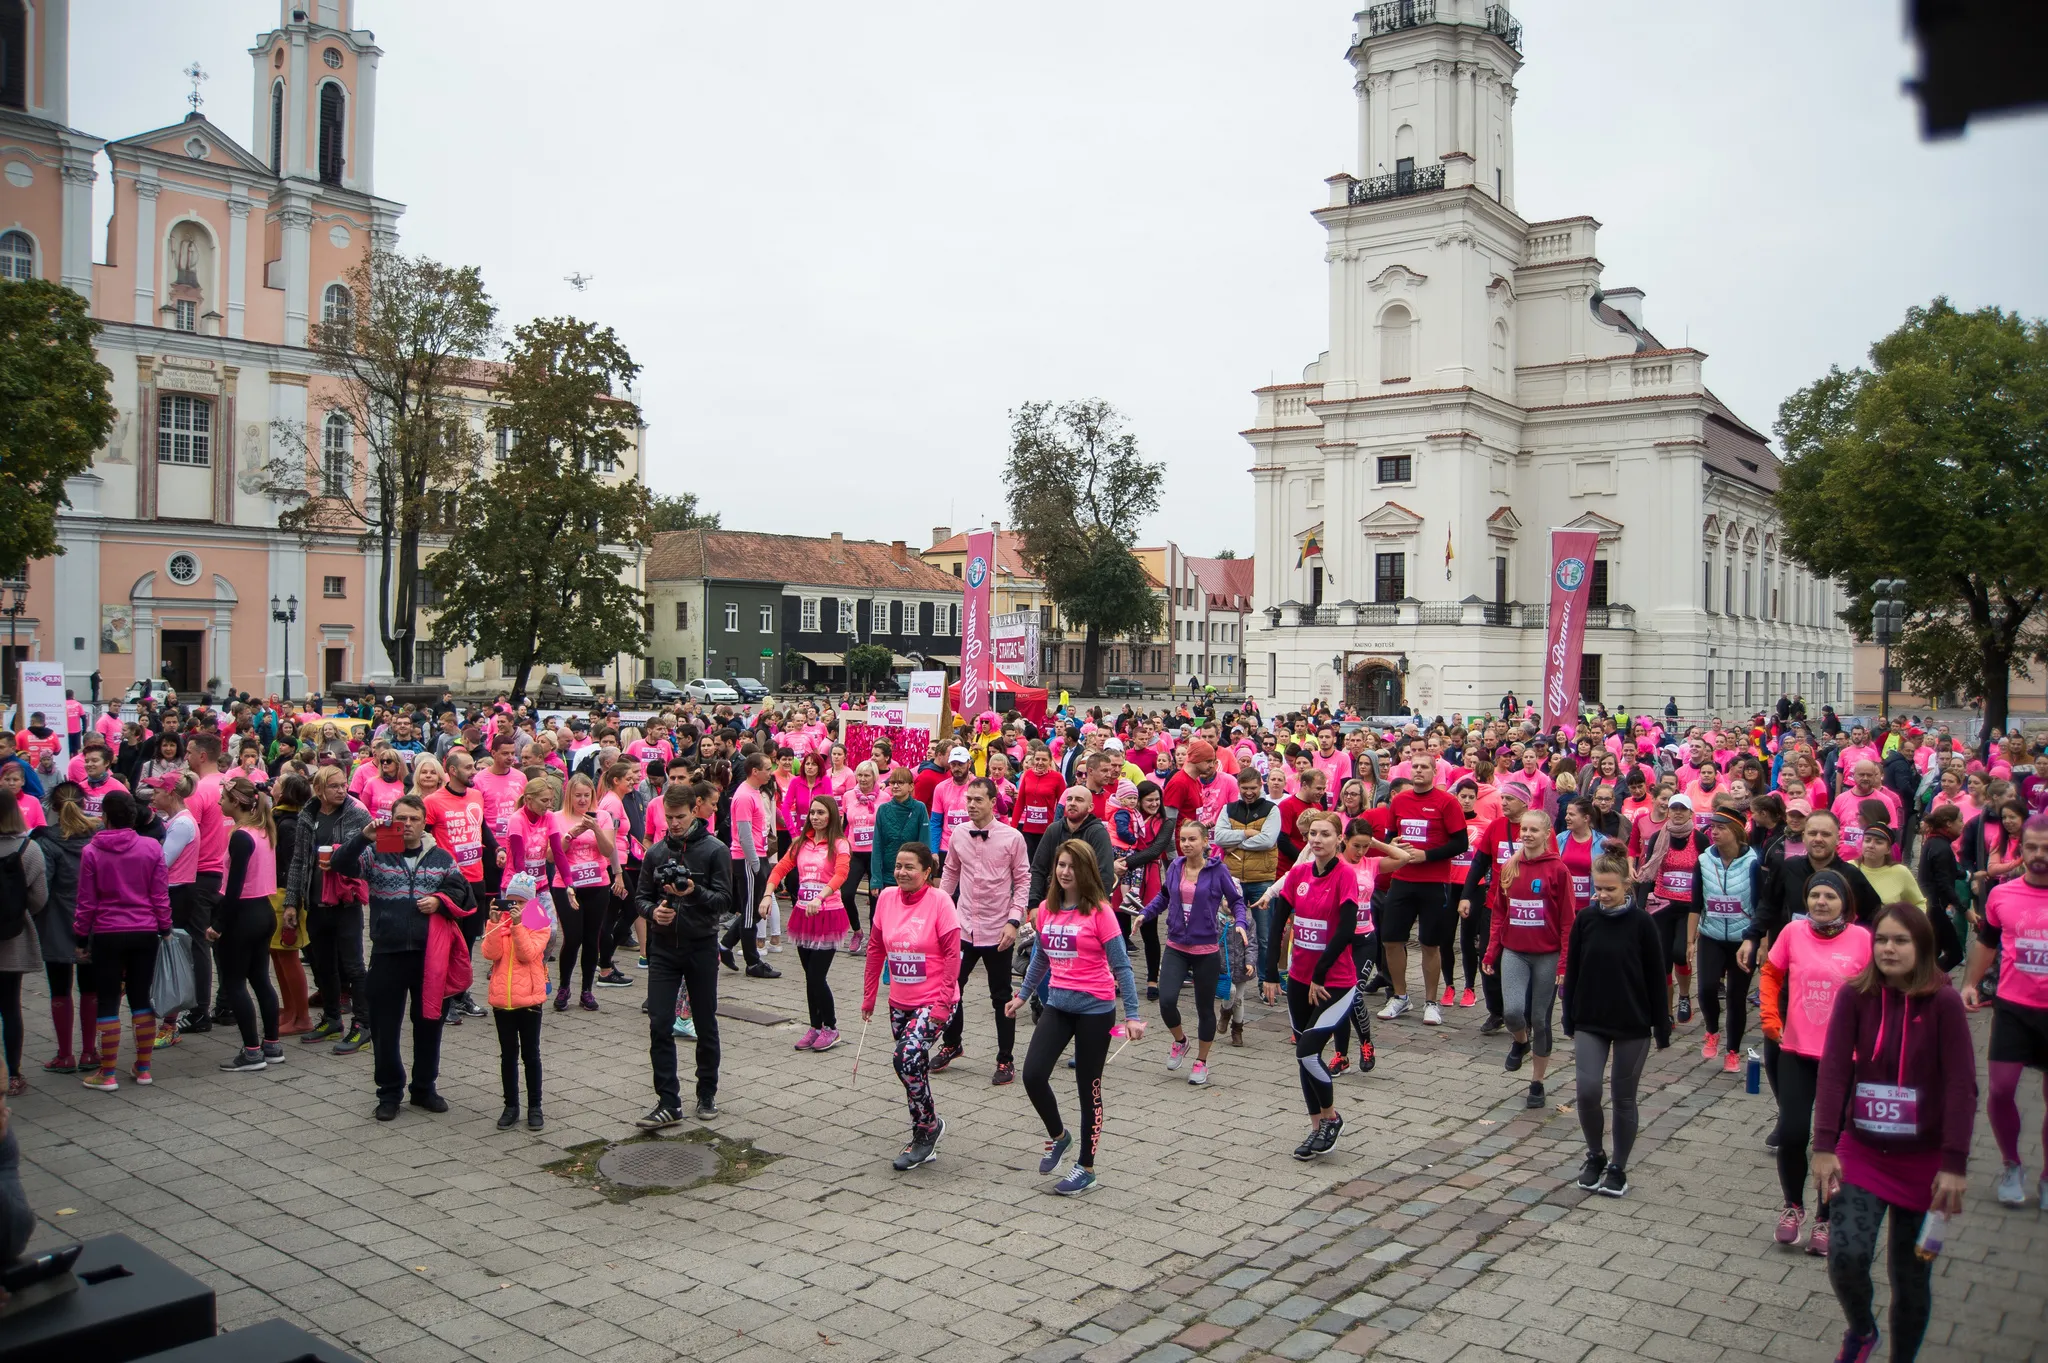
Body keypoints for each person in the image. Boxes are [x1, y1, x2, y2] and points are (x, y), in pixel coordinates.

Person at [1812, 904, 1973, 1363]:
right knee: (1845, 1255)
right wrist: (1823, 1145)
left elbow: (1963, 1085)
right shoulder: (1855, 995)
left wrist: (1954, 1164)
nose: (1888, 948)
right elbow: (1835, 1071)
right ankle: (1861, 1331)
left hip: (1924, 1162)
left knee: (1910, 1277)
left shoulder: (1942, 1002)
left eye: (1900, 940)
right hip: (1861, 1151)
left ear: (1922, 946)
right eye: (1881, 938)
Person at [1008, 839, 1142, 1194]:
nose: (1065, 872)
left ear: (1085, 871)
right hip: (1058, 1006)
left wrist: (1132, 1015)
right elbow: (1040, 957)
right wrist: (1022, 996)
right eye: (1060, 866)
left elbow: (1122, 967)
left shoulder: (1100, 911)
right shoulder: (1048, 910)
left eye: (1072, 866)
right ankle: (1058, 1136)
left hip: (1095, 1011)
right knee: (1033, 1075)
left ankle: (1086, 1167)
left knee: (1088, 1090)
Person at [332, 793, 475, 1121]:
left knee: (428, 1025)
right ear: (392, 821)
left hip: (429, 957)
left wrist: (439, 901)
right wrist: (363, 837)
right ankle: (390, 1093)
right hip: (388, 952)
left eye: (413, 819)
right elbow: (341, 866)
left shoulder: (440, 856)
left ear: (424, 821)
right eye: (401, 819)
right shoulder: (382, 848)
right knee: (384, 1027)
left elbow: (462, 893)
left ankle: (424, 1088)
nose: (407, 825)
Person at [1760, 868, 1873, 1255]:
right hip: (1796, 1051)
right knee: (1792, 1133)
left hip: (1845, 1059)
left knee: (1838, 1140)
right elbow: (1771, 973)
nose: (1821, 903)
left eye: (1830, 897)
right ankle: (1793, 1206)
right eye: (1815, 896)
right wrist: (1771, 1017)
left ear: (1845, 903)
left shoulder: (1862, 940)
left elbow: (1879, 993)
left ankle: (1826, 1216)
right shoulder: (1792, 933)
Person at [1562, 851, 1669, 1197]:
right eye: (1598, 889)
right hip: (1591, 1020)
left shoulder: (1643, 924)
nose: (1602, 895)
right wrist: (1568, 1014)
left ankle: (1618, 1167)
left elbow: (1656, 977)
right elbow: (1574, 970)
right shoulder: (1586, 920)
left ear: (1627, 885)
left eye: (1610, 889)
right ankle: (1594, 1154)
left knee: (1624, 1097)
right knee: (1588, 1090)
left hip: (1632, 1023)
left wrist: (1660, 1025)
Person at [1963, 813, 2048, 1210]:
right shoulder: (2003, 895)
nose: (2038, 855)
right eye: (2031, 847)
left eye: (2046, 848)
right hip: (2013, 1007)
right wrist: (1969, 982)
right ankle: (2011, 1164)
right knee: (1999, 1091)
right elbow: (1987, 941)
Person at [635, 781, 729, 1128]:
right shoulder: (656, 853)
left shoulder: (714, 850)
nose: (673, 823)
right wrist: (652, 913)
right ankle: (668, 1101)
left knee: (705, 1023)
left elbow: (724, 901)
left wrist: (694, 891)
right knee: (659, 1022)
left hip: (701, 945)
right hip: (662, 948)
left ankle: (706, 1092)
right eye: (668, 817)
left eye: (679, 817)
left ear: (695, 811)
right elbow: (641, 896)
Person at [864, 842, 962, 1170]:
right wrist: (869, 996)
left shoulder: (940, 902)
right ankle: (925, 1134)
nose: (902, 873)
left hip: (934, 1000)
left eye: (909, 867)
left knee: (904, 1058)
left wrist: (944, 1003)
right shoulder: (888, 899)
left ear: (926, 872)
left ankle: (926, 1127)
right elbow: (876, 948)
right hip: (899, 1002)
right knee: (912, 1066)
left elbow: (952, 955)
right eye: (898, 867)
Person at [1139, 819, 1249, 1086]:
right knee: (1166, 1002)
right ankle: (1180, 1041)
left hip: (1206, 950)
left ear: (1204, 842)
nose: (1186, 844)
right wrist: (1145, 913)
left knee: (1204, 1009)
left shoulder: (1218, 871)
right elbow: (1164, 896)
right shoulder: (1175, 866)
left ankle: (1201, 1062)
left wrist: (1241, 924)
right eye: (1183, 840)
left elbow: (1236, 902)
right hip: (1176, 946)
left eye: (1192, 839)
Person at [73, 789, 170, 1090]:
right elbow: (160, 894)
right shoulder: (152, 847)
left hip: (107, 933)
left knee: (108, 1000)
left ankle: (108, 1072)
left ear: (104, 817)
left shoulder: (92, 851)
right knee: (142, 999)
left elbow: (86, 901)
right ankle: (143, 1068)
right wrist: (165, 927)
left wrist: (79, 935)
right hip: (145, 931)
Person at [936, 777, 1029, 1083]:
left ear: (993, 802)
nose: (972, 805)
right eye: (969, 799)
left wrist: (1014, 921)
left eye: (978, 800)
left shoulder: (1012, 837)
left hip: (997, 929)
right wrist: (938, 907)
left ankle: (1005, 1060)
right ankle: (952, 1043)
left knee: (1001, 995)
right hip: (962, 927)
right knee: (950, 988)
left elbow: (1023, 881)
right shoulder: (959, 833)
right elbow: (950, 872)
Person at [1483, 808, 1575, 1110]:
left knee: (1540, 1018)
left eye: (1534, 830)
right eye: (1524, 829)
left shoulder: (1558, 870)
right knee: (1512, 1012)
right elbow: (1500, 912)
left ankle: (1537, 1082)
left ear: (1547, 834)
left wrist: (1563, 962)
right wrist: (1492, 950)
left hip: (1547, 955)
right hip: (1515, 952)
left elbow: (1567, 921)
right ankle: (1520, 1041)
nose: (1527, 834)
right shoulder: (1510, 867)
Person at [1377, 745, 1468, 1026]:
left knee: (1430, 944)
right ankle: (1401, 996)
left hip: (1435, 883)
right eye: (1414, 766)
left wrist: (1427, 855)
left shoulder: (1447, 802)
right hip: (1402, 881)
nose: (1418, 770)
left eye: (1424, 767)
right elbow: (1391, 836)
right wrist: (1392, 845)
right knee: (1391, 939)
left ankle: (1431, 1002)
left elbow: (1461, 843)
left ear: (1434, 771)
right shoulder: (1400, 801)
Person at [285, 765, 372, 1052]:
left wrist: (339, 852)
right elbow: (298, 861)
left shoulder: (357, 813)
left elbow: (370, 852)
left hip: (345, 900)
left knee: (353, 965)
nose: (341, 790)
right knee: (323, 965)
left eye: (343, 784)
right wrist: (292, 903)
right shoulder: (307, 816)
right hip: (315, 900)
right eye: (334, 786)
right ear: (320, 789)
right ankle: (332, 1018)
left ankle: (363, 1024)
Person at [762, 794, 852, 1051]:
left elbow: (841, 873)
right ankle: (815, 1026)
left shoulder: (840, 844)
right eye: (812, 812)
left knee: (816, 976)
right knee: (809, 976)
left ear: (831, 815)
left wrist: (822, 897)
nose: (815, 817)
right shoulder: (801, 843)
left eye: (821, 813)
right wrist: (768, 895)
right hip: (803, 915)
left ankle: (831, 1028)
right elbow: (780, 868)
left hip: (828, 915)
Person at [211, 777, 285, 1073]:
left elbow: (234, 887)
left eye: (224, 798)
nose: (220, 803)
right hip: (263, 911)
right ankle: (272, 1044)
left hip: (243, 914)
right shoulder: (264, 830)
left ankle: (252, 1051)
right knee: (260, 979)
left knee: (234, 982)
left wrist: (218, 923)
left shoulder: (242, 836)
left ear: (237, 802)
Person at [32, 795, 95, 1074]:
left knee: (59, 987)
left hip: (57, 920)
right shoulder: (97, 837)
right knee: (90, 988)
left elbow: (41, 886)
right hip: (92, 920)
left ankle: (65, 1054)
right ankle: (90, 1051)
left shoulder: (46, 842)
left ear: (54, 809)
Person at [1695, 809, 1761, 1073]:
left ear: (1735, 831)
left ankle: (1733, 1051)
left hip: (1743, 939)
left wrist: (1760, 940)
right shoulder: (1703, 860)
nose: (1714, 832)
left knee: (1736, 996)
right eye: (1712, 827)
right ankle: (1712, 1029)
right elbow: (1695, 902)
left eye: (1720, 828)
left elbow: (1760, 904)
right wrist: (1691, 940)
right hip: (1711, 934)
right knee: (1707, 988)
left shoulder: (1754, 862)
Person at [482, 873, 549, 1130]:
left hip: (529, 1000)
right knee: (507, 1055)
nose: (514, 907)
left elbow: (527, 954)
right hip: (502, 999)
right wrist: (492, 923)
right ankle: (511, 1106)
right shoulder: (501, 922)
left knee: (531, 1055)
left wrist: (519, 925)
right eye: (510, 901)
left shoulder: (538, 921)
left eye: (520, 902)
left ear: (530, 903)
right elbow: (491, 954)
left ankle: (535, 1106)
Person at [555, 773, 619, 1012]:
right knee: (572, 937)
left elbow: (607, 850)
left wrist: (595, 828)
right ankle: (563, 987)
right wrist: (572, 833)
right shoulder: (557, 817)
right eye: (577, 795)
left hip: (597, 884)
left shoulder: (602, 816)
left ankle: (586, 990)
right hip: (567, 884)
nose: (582, 800)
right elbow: (552, 855)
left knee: (592, 938)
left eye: (587, 795)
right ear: (568, 795)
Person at [0, 795, 46, 1096]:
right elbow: (39, 899)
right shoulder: (29, 849)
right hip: (13, 939)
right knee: (10, 1007)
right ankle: (13, 1073)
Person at [720, 753, 780, 979]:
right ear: (755, 771)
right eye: (766, 768)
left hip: (758, 854)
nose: (770, 772)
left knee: (755, 910)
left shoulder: (755, 792)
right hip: (747, 857)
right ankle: (752, 961)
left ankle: (725, 945)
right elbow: (744, 834)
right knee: (749, 911)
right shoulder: (744, 795)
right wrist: (755, 863)